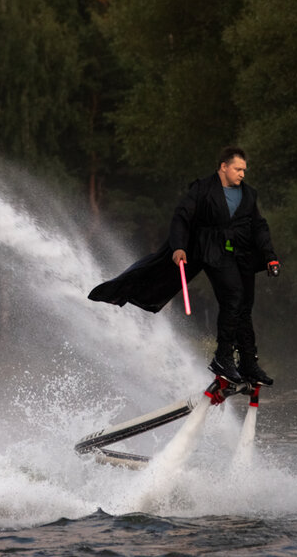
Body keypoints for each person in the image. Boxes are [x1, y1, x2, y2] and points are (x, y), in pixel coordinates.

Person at [89, 146, 280, 384]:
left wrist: (270, 255)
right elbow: (182, 216)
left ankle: (249, 363)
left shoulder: (249, 194)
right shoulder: (202, 189)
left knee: (244, 305)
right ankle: (223, 358)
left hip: (241, 254)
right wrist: (179, 247)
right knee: (233, 297)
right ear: (223, 167)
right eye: (238, 169)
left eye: (244, 170)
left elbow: (259, 226)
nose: (242, 174)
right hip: (211, 251)